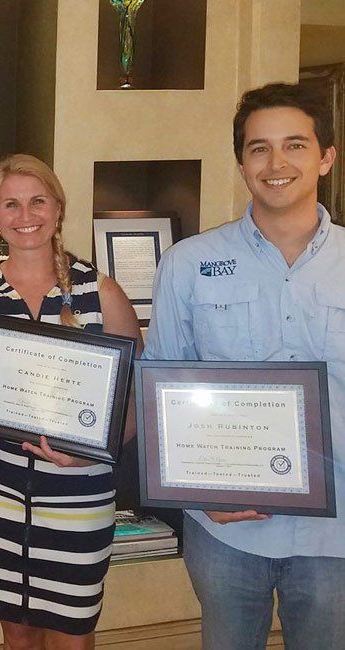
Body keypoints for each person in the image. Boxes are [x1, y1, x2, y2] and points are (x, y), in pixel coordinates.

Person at [144, 82, 344, 649]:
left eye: (295, 145)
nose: (276, 163)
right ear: (241, 162)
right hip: (225, 532)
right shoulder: (188, 265)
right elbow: (164, 388)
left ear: (327, 157)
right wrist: (197, 493)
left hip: (337, 537)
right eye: (259, 148)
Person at [0, 154, 141, 650]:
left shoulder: (102, 293)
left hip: (77, 497)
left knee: (73, 632)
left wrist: (88, 452)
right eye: (11, 204)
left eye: (37, 201)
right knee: (17, 633)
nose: (25, 215)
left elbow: (134, 406)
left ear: (57, 207)